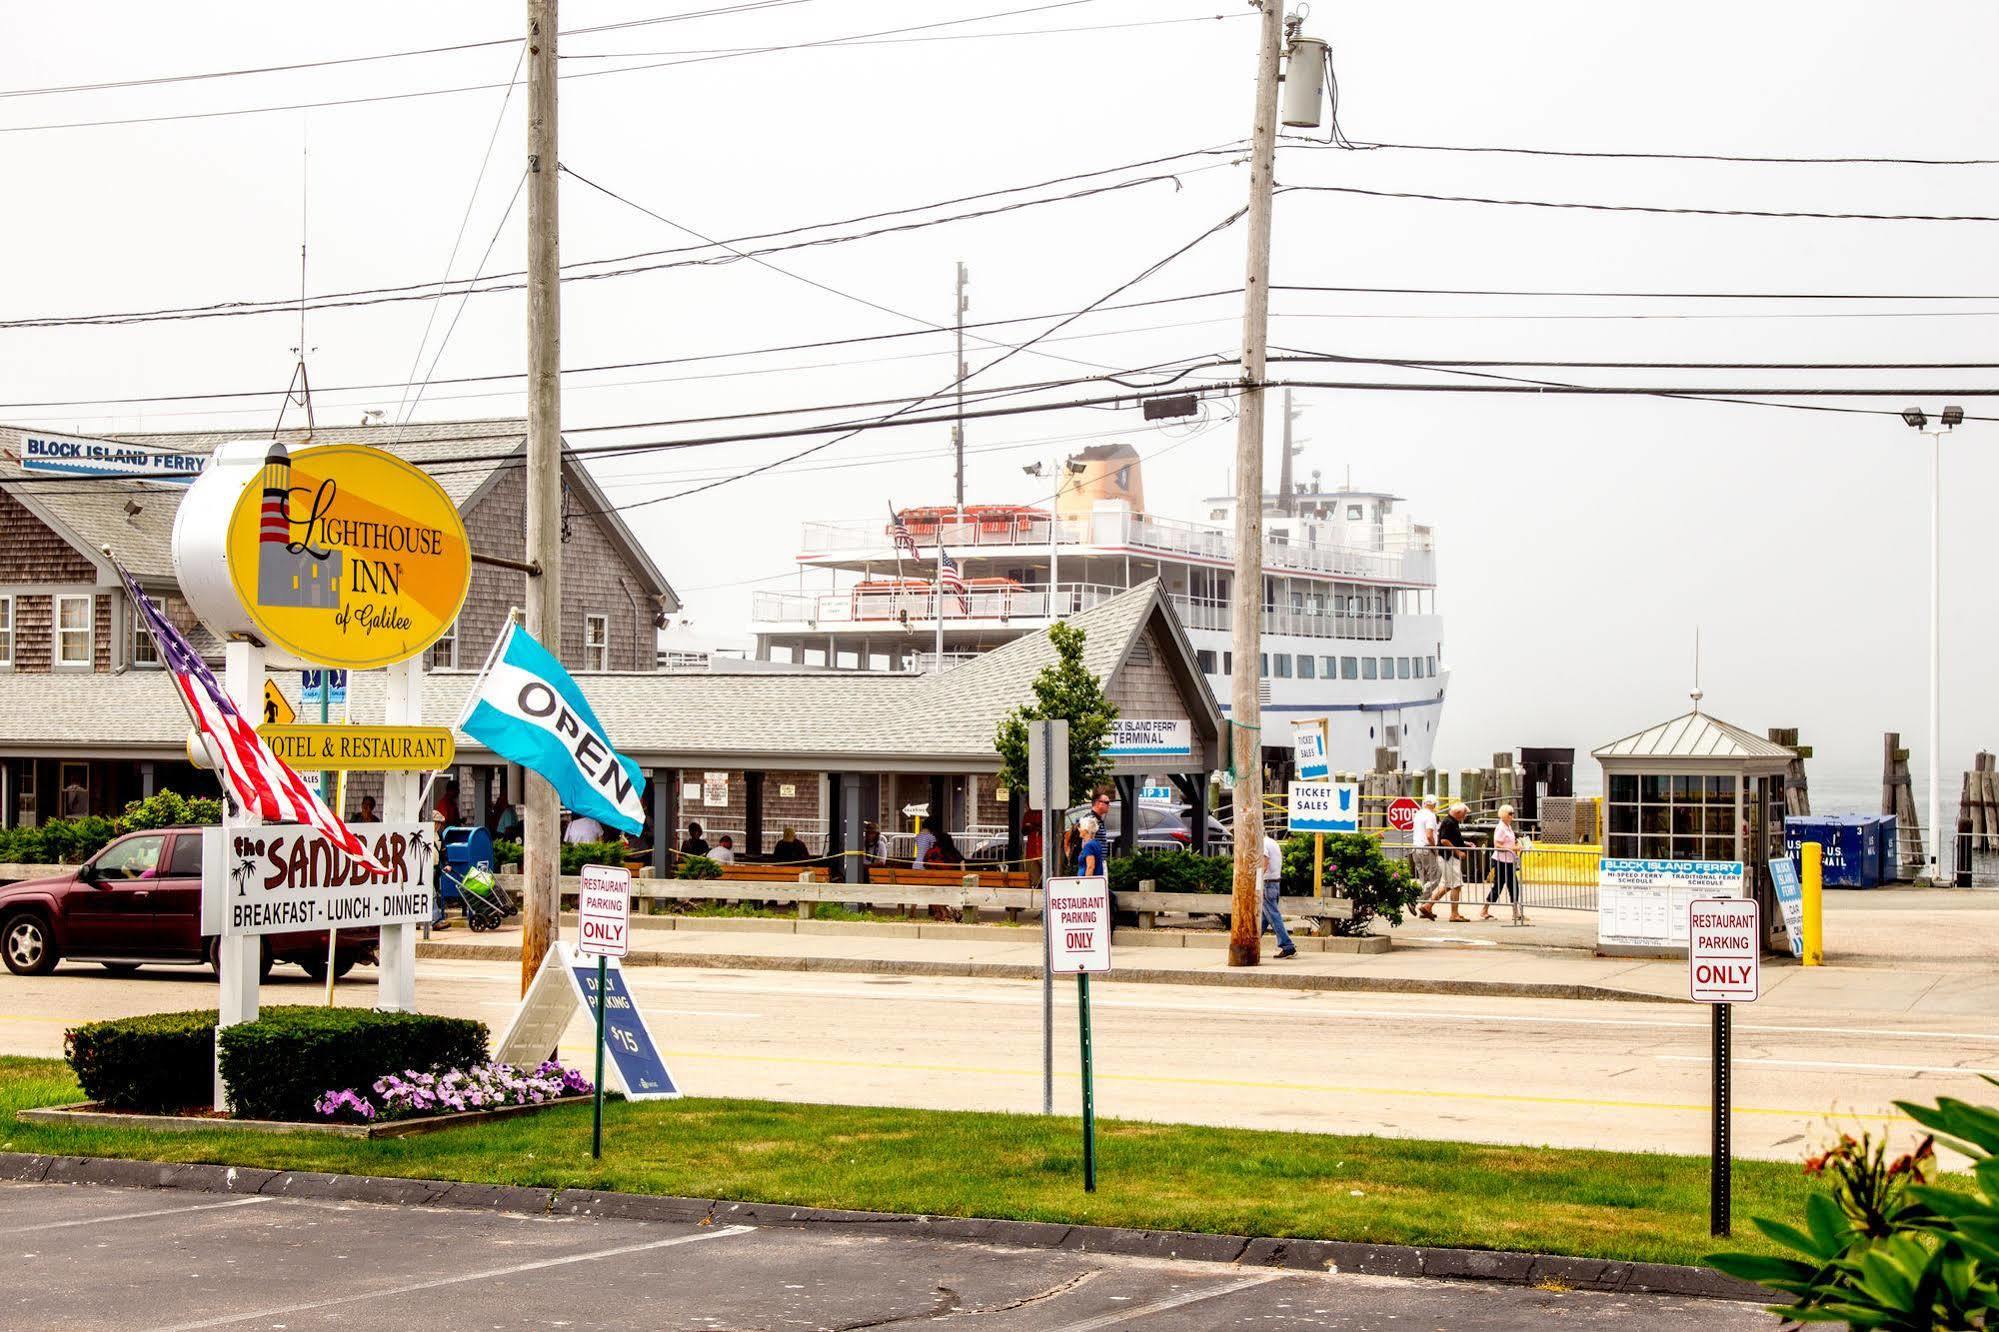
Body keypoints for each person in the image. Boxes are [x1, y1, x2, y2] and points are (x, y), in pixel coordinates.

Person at [1421, 801, 1472, 923]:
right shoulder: (1449, 822)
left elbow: (1450, 838)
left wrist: (1464, 844)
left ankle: (1427, 906)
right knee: (1456, 885)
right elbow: (1444, 840)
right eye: (1464, 814)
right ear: (1458, 812)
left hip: (1446, 857)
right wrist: (1458, 852)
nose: (1465, 817)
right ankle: (1454, 914)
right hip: (1448, 858)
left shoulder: (1451, 822)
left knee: (1447, 885)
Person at [1482, 804, 1525, 922]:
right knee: (1499, 886)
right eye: (1510, 814)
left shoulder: (1508, 827)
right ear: (1504, 815)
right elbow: (1498, 844)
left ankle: (1515, 911)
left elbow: (1510, 841)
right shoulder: (1501, 827)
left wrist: (1517, 845)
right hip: (1502, 861)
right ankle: (1485, 909)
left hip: (1509, 860)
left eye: (1513, 813)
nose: (1512, 816)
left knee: (1513, 886)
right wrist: (1513, 848)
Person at [1261, 828, 1297, 959]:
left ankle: (1288, 946)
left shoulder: (1262, 843)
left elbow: (1264, 862)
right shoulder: (1272, 842)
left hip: (1266, 882)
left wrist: (1256, 879)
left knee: (1273, 915)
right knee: (1264, 917)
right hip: (1275, 882)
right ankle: (1251, 942)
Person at [1410, 794, 1441, 916]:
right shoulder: (1431, 816)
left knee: (1425, 880)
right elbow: (1429, 835)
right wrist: (1435, 848)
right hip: (1426, 849)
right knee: (1436, 878)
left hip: (1416, 849)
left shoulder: (1418, 814)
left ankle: (1424, 909)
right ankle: (1415, 900)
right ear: (1434, 804)